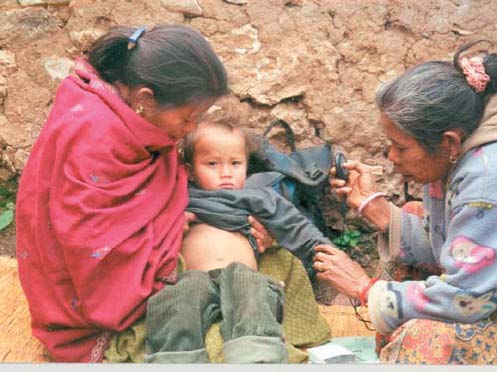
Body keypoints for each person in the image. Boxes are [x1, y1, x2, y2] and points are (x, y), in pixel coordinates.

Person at [15, 24, 234, 363]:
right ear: (145, 98)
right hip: (83, 298)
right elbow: (92, 243)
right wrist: (170, 232)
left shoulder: (126, 114)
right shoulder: (95, 136)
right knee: (215, 319)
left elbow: (143, 197)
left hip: (137, 249)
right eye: (188, 117)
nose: (191, 129)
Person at [314, 41, 497, 364]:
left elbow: (467, 299)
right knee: (411, 212)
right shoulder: (452, 159)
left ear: (448, 142)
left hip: (476, 298)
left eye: (400, 147)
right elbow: (456, 248)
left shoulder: (485, 178)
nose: (391, 158)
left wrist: (365, 287)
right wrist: (377, 209)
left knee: (423, 339)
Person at [145, 120, 334, 363]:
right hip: (194, 276)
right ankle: (174, 360)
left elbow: (296, 228)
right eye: (212, 164)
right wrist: (171, 220)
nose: (226, 173)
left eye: (235, 164)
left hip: (242, 276)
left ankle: (256, 358)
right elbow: (146, 218)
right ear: (190, 171)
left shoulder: (258, 198)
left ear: (246, 166)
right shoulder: (181, 195)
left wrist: (327, 255)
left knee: (248, 284)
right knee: (180, 293)